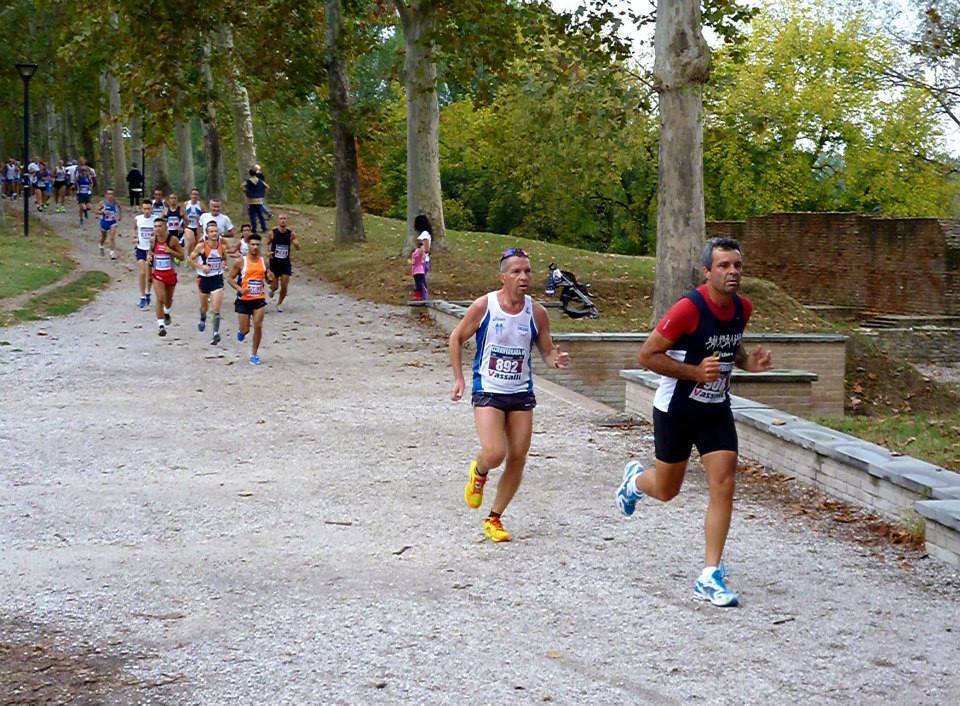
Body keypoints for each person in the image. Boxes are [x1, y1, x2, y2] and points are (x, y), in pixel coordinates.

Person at [615, 237, 773, 608]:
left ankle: (709, 574)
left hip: (715, 408)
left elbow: (731, 349)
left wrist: (750, 364)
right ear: (707, 272)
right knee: (667, 489)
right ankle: (636, 483)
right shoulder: (689, 308)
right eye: (723, 266)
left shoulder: (742, 308)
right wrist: (693, 372)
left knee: (724, 481)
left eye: (736, 265)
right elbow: (646, 355)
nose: (732, 272)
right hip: (677, 408)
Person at [448, 248, 569, 542]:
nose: (523, 277)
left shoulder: (536, 312)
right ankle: (479, 471)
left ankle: (494, 518)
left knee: (518, 457)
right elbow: (456, 337)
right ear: (503, 276)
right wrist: (459, 378)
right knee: (495, 453)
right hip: (488, 389)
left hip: (520, 392)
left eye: (527, 271)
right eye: (516, 271)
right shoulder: (484, 306)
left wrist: (554, 358)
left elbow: (545, 349)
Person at [228, 233, 274, 365]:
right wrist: (240, 289)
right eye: (252, 244)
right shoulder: (241, 262)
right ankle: (242, 332)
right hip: (243, 299)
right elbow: (230, 278)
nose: (255, 247)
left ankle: (254, 354)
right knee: (245, 329)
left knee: (258, 325)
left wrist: (271, 279)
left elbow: (269, 280)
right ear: (248, 246)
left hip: (258, 299)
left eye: (257, 245)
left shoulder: (264, 262)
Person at [190, 221, 227, 345]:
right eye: (211, 231)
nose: (214, 233)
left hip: (217, 278)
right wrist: (201, 266)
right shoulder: (201, 246)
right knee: (204, 306)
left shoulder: (222, 246)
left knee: (216, 309)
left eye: (216, 231)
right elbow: (191, 258)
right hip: (204, 279)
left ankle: (216, 333)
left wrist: (224, 264)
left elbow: (224, 258)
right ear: (207, 233)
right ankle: (202, 317)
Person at [147, 218, 183, 336]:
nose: (157, 229)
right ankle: (161, 326)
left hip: (170, 274)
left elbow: (182, 257)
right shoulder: (153, 240)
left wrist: (170, 251)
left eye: (160, 226)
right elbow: (150, 252)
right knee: (160, 299)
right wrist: (149, 257)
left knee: (168, 300)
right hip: (158, 274)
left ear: (165, 227)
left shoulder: (172, 240)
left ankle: (167, 312)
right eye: (156, 226)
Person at [265, 213, 299, 310]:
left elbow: (297, 246)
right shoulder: (272, 233)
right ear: (278, 220)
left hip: (285, 262)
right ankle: (272, 289)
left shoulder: (291, 234)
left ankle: (279, 303)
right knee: (275, 286)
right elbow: (267, 243)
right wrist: (268, 252)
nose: (283, 220)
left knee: (284, 284)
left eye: (284, 219)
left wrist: (296, 244)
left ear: (287, 220)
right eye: (281, 219)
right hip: (274, 262)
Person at [134, 200, 155, 309]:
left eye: (149, 208)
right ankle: (142, 297)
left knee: (149, 275)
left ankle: (148, 292)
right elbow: (135, 229)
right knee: (142, 272)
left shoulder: (155, 220)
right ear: (142, 209)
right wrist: (135, 237)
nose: (147, 211)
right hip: (141, 249)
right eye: (145, 208)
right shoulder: (138, 219)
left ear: (152, 209)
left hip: (151, 250)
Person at [97, 187, 121, 260]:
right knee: (103, 237)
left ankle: (112, 253)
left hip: (112, 222)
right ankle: (101, 245)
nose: (110, 196)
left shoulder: (116, 203)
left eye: (112, 194)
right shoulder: (102, 203)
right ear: (106, 195)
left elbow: (120, 208)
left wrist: (120, 216)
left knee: (112, 237)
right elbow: (96, 211)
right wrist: (102, 212)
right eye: (109, 194)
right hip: (104, 222)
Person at [243, 167, 269, 234]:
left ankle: (254, 229)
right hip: (259, 201)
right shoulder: (260, 181)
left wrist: (245, 191)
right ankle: (264, 228)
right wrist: (262, 192)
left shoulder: (248, 181)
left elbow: (241, 186)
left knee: (253, 216)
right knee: (261, 215)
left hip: (251, 201)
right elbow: (267, 186)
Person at [182, 188, 205, 256]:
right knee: (192, 241)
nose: (194, 196)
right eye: (193, 194)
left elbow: (205, 216)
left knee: (196, 243)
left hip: (197, 227)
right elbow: (182, 214)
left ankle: (193, 258)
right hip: (189, 226)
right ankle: (188, 257)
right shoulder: (186, 204)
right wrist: (185, 221)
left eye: (196, 194)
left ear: (198, 196)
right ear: (190, 195)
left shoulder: (201, 205)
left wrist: (200, 219)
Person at [414, 214, 432, 286]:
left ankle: (424, 297)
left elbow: (426, 249)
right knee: (419, 282)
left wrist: (419, 250)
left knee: (422, 283)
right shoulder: (424, 234)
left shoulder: (425, 234)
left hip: (423, 262)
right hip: (420, 262)